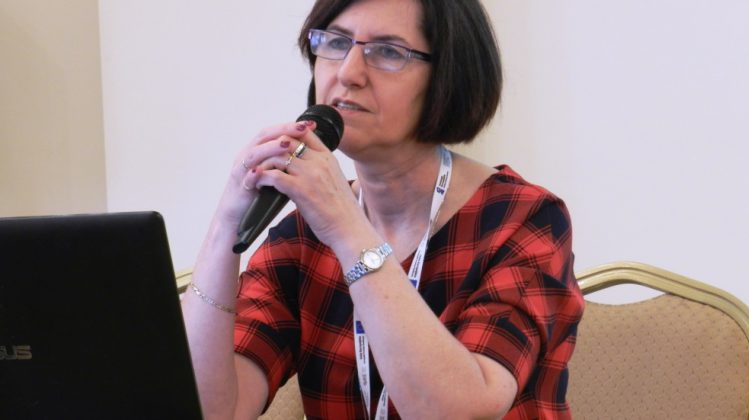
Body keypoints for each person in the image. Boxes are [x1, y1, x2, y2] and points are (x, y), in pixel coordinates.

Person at [181, 0, 584, 418]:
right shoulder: (303, 238)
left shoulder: (523, 220)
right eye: (337, 42)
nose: (348, 73)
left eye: (388, 51)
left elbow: (460, 412)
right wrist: (226, 224)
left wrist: (347, 230)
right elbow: (211, 411)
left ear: (448, 77)